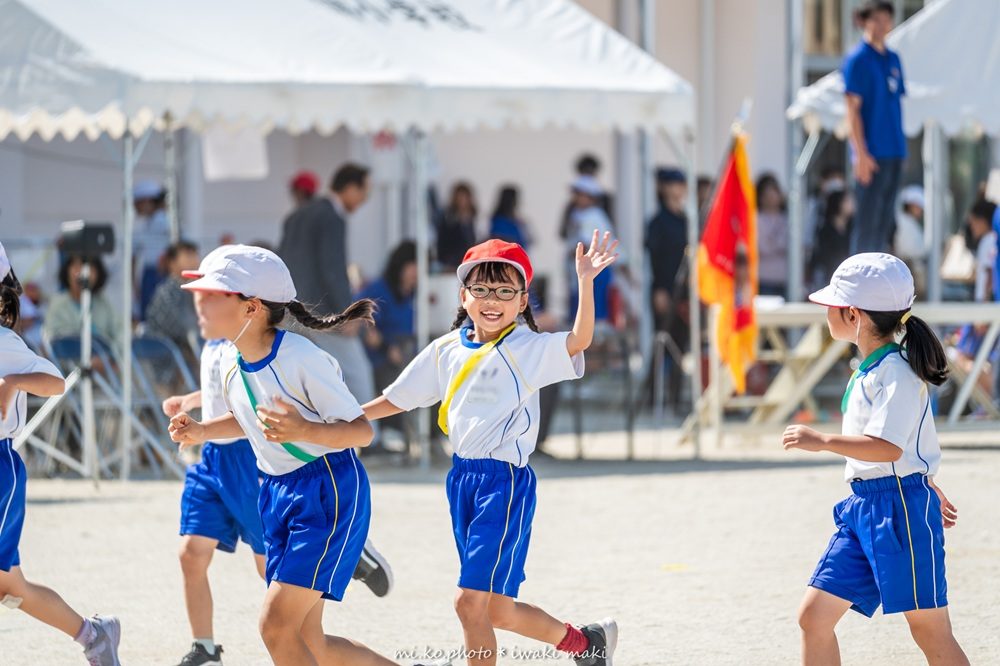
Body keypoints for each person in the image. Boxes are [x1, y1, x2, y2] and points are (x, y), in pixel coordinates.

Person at [362, 236, 620, 666]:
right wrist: (343, 420)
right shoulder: (445, 349)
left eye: (505, 291)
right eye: (481, 289)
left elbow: (579, 340)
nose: (492, 300)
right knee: (497, 610)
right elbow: (398, 398)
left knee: (469, 604)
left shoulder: (526, 348)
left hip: (503, 485)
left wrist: (585, 283)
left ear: (522, 302)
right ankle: (587, 644)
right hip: (461, 479)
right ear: (463, 295)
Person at [167, 245, 407, 666]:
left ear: (251, 308)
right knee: (309, 642)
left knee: (275, 627)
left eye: (213, 294)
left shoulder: (302, 358)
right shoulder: (230, 360)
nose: (198, 301)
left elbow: (362, 432)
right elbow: (246, 419)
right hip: (276, 494)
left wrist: (305, 430)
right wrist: (203, 430)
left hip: (327, 490)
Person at [783, 253, 969, 666]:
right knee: (813, 618)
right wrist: (925, 481)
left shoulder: (898, 373)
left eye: (832, 304)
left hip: (902, 509)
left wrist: (822, 439)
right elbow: (906, 444)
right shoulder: (869, 368)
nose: (825, 311)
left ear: (853, 315)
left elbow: (888, 447)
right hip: (866, 506)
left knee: (930, 631)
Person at [0, 242, 123, 665]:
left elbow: (55, 381)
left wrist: (11, 381)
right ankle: (94, 634)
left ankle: (96, 635)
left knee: (7, 587)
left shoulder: (4, 342)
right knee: (10, 588)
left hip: (1, 469)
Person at [277, 163, 379, 447]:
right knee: (357, 372)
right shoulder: (331, 217)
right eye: (364, 193)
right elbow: (332, 270)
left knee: (296, 375)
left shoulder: (297, 215)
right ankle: (370, 440)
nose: (363, 200)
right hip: (323, 315)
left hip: (290, 309)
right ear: (349, 188)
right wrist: (346, 314)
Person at [843, 0, 907, 253]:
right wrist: (860, 153)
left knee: (885, 223)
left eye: (886, 20)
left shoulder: (893, 59)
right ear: (864, 21)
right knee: (867, 222)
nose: (882, 26)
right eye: (876, 19)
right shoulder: (858, 59)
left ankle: (877, 282)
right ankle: (857, 283)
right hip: (872, 155)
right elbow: (852, 110)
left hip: (894, 150)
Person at [645, 167, 690, 410]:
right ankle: (652, 398)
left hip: (685, 292)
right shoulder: (657, 222)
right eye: (674, 184)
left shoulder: (686, 220)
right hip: (664, 290)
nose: (679, 189)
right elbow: (655, 258)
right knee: (661, 343)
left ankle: (674, 398)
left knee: (681, 346)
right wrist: (660, 289)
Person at [358, 241, 417, 405]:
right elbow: (366, 331)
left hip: (406, 354)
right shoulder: (378, 291)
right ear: (401, 265)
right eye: (413, 265)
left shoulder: (414, 294)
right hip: (380, 361)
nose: (417, 272)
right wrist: (388, 349)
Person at [565, 176, 616, 322]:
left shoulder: (593, 215)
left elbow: (586, 244)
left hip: (594, 268)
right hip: (582, 269)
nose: (576, 197)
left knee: (593, 313)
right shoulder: (577, 214)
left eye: (580, 194)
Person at [43, 255, 119, 350]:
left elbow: (120, 335)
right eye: (76, 266)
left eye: (89, 268)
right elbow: (54, 343)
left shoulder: (104, 303)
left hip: (104, 362)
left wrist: (110, 360)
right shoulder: (57, 305)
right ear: (67, 270)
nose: (82, 273)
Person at [145, 240, 201, 351]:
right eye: (188, 255)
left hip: (185, 348)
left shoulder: (194, 288)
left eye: (195, 255)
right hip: (166, 353)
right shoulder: (167, 290)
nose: (194, 260)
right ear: (172, 263)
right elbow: (179, 326)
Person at [133, 180, 172, 319]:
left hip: (158, 274)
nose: (135, 207)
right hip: (152, 274)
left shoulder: (162, 221)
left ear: (148, 201)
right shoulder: (149, 222)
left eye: (138, 203)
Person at [808, 190, 854, 289]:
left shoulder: (853, 228)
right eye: (846, 201)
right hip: (828, 276)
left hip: (849, 276)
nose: (851, 204)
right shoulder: (824, 229)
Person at [756, 173, 789, 298]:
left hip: (784, 279)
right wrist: (777, 244)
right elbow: (761, 247)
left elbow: (789, 244)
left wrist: (771, 243)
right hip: (763, 278)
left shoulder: (787, 219)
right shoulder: (755, 218)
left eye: (773, 194)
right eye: (766, 195)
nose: (771, 198)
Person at [434, 182, 478, 269]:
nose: (463, 202)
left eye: (465, 198)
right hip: (452, 262)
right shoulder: (448, 221)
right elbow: (443, 244)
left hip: (472, 260)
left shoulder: (475, 219)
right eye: (460, 198)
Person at [895, 185, 928, 295]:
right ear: (911, 206)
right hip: (909, 270)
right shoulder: (903, 222)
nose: (920, 210)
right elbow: (910, 251)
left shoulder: (908, 222)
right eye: (918, 207)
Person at [968, 199, 998, 303]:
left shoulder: (988, 241)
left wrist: (983, 313)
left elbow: (989, 277)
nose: (971, 227)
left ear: (982, 221)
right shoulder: (994, 239)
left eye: (973, 222)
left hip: (985, 309)